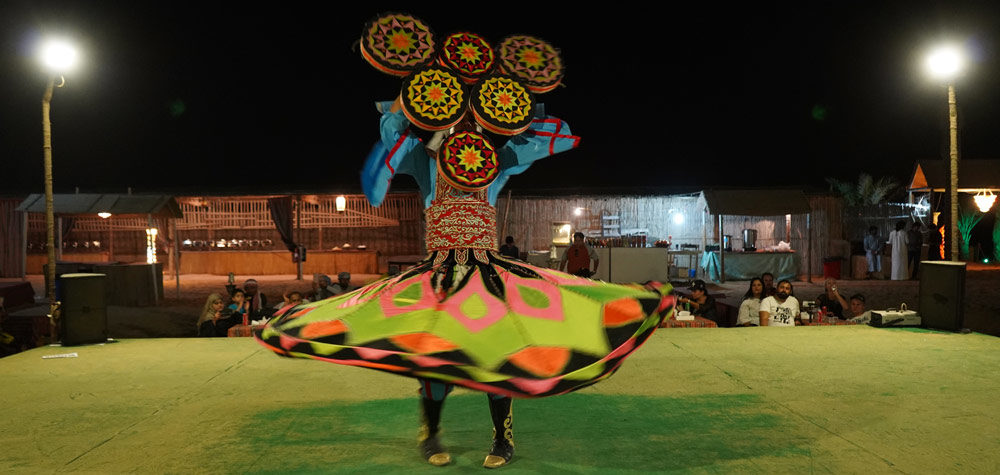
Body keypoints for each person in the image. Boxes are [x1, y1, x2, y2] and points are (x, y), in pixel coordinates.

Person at [256, 30, 671, 469]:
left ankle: (502, 438)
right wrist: (409, 95)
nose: (465, 130)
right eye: (456, 122)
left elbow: (549, 135)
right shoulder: (423, 160)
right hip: (437, 275)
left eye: (472, 122)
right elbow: (394, 131)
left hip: (487, 274)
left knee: (500, 352)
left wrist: (513, 106)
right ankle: (431, 433)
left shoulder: (495, 163)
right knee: (433, 358)